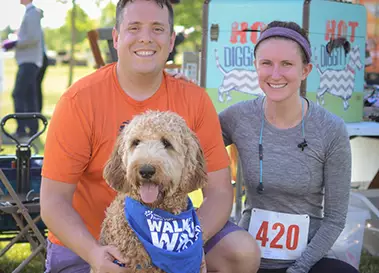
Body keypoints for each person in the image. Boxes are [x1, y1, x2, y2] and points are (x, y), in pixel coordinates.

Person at [40, 0, 260, 273]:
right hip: (90, 245)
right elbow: (53, 202)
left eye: (157, 29)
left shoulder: (194, 100)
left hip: (177, 233)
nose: (145, 37)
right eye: (134, 28)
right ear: (117, 38)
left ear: (171, 41)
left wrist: (185, 244)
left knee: (241, 252)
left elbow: (219, 192)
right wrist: (94, 254)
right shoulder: (78, 101)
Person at [219, 21, 357, 273]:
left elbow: (335, 219)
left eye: (287, 64)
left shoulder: (331, 129)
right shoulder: (236, 118)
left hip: (307, 260)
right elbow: (188, 148)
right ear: (255, 66)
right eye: (266, 63)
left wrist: (299, 269)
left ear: (306, 70)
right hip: (246, 254)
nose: (275, 74)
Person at [1, 0, 43, 139]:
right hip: (28, 61)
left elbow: (33, 38)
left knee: (18, 94)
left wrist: (14, 43)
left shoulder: (32, 13)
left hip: (28, 61)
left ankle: (21, 129)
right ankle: (32, 129)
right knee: (29, 96)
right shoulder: (29, 13)